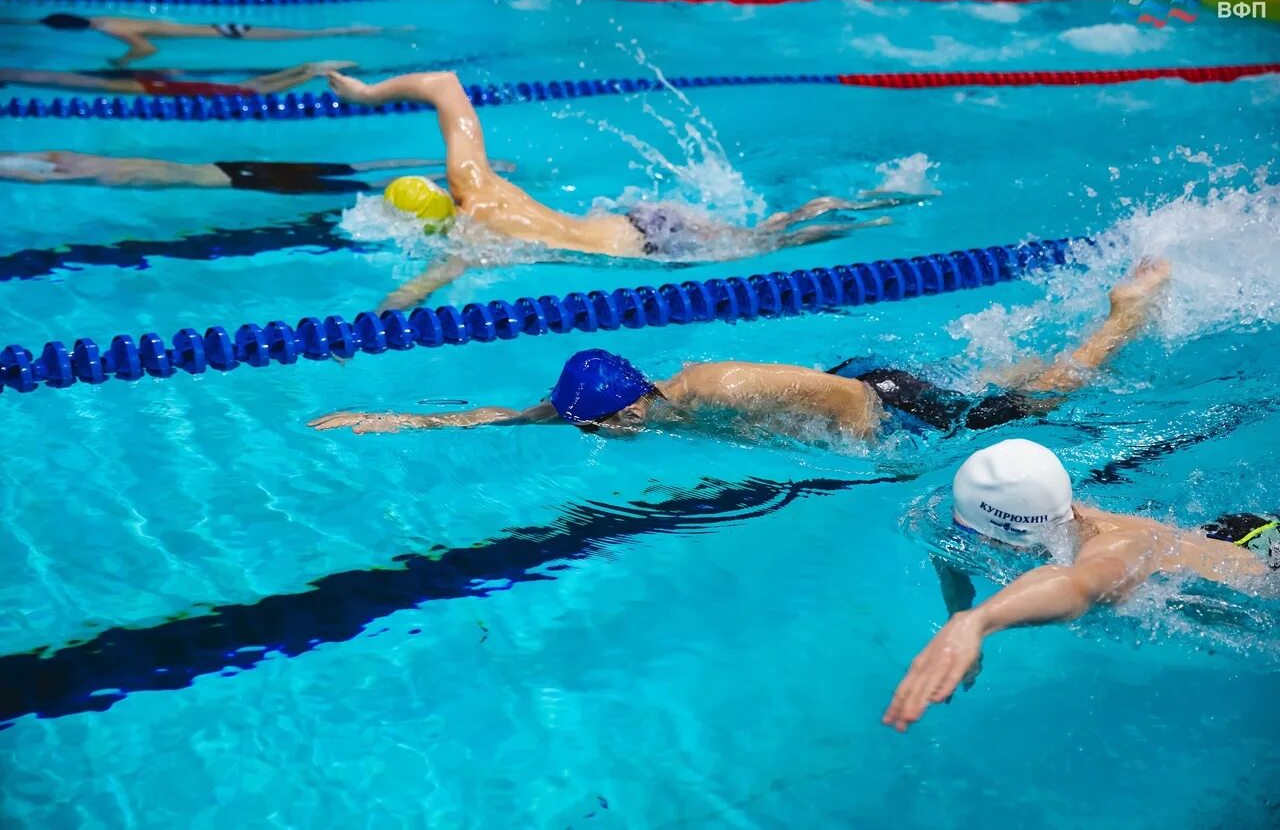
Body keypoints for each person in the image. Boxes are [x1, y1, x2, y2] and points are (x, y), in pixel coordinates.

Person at [308, 257, 1170, 439]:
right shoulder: (614, 405)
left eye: (594, 427)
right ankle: (1046, 345)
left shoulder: (709, 385)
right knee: (994, 380)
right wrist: (388, 419)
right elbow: (503, 417)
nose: (590, 436)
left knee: (1048, 400)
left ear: (626, 405)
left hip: (876, 398)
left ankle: (1120, 319)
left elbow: (844, 399)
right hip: (844, 385)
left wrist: (876, 456)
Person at [323, 69, 912, 302]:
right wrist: (365, 94)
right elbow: (443, 84)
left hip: (643, 252)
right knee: (762, 234)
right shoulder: (479, 187)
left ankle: (869, 216)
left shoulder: (465, 244)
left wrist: (367, 326)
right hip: (642, 219)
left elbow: (412, 294)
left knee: (769, 244)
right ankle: (855, 201)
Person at [882, 438, 1279, 734]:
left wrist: (979, 622)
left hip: (1264, 569)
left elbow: (1077, 586)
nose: (976, 545)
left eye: (985, 538)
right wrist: (959, 617)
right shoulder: (1042, 517)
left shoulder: (1115, 549)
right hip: (1228, 533)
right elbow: (950, 552)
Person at [1, 12, 396, 66]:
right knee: (306, 34)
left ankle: (370, 31)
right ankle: (363, 29)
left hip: (229, 36)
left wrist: (121, 63)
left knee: (310, 35)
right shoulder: (105, 17)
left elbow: (147, 48)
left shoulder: (108, 29)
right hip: (222, 28)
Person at [0, 151, 468, 194]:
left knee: (351, 183)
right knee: (352, 168)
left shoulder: (60, 175)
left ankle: (449, 180)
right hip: (226, 164)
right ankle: (455, 168)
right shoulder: (64, 156)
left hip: (232, 180)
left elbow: (26, 173)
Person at [0, 60, 353, 98]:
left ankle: (306, 71)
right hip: (164, 86)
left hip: (163, 87)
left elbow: (68, 83)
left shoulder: (129, 86)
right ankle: (304, 70)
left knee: (250, 90)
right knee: (251, 87)